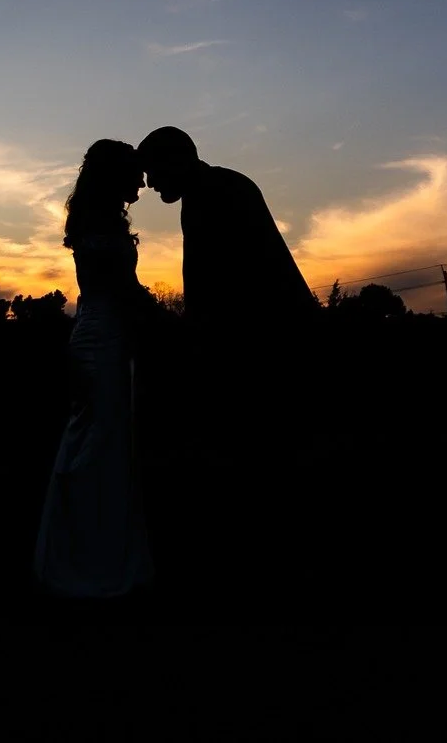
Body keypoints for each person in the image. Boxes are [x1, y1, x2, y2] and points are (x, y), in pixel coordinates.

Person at [136, 126, 315, 453]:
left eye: (153, 171)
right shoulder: (212, 188)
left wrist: (202, 340)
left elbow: (227, 281)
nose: (149, 183)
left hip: (264, 345)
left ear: (176, 161)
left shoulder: (216, 192)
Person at [33, 139, 155, 598]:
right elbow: (120, 287)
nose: (142, 183)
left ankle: (96, 552)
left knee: (104, 441)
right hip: (99, 340)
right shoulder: (98, 223)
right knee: (96, 442)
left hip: (108, 336)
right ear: (114, 175)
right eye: (134, 174)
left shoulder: (101, 219)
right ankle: (86, 561)